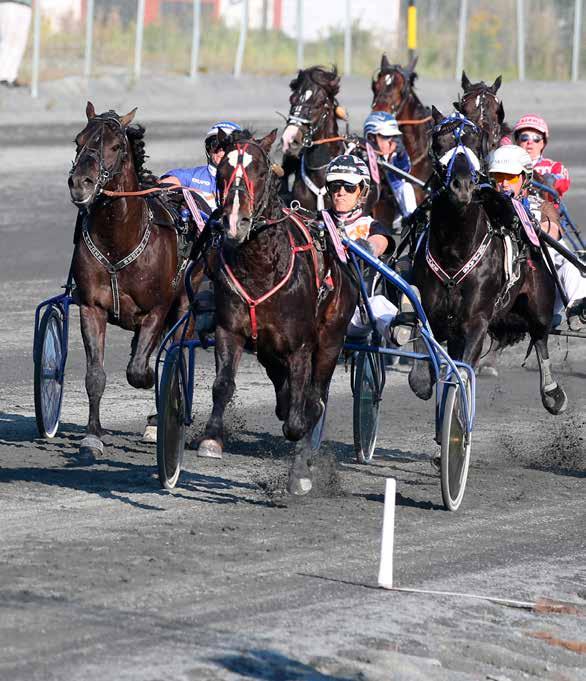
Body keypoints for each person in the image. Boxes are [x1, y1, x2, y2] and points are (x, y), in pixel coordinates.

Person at [488, 144, 586, 331]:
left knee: (571, 263)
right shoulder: (485, 207)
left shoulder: (540, 205)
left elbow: (554, 231)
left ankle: (576, 310)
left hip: (542, 286)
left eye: (511, 177)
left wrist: (528, 226)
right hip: (494, 285)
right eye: (499, 177)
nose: (504, 183)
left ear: (525, 178)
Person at [323, 154, 416, 344]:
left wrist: (366, 247)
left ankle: (398, 326)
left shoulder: (370, 225)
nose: (340, 192)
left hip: (356, 312)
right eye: (335, 187)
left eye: (349, 187)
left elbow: (381, 243)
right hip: (317, 311)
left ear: (362, 191)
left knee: (378, 304)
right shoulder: (317, 223)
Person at [160, 120, 242, 214]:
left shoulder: (251, 181)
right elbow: (162, 185)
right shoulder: (190, 176)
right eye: (216, 144)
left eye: (228, 146)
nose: (221, 150)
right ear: (208, 148)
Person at [363, 110, 417, 221]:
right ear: (371, 138)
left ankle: (413, 221)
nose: (392, 141)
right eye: (386, 136)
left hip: (394, 197)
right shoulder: (363, 154)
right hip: (370, 201)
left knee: (407, 188)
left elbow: (405, 171)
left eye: (393, 136)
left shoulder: (395, 154)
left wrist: (401, 155)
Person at [512, 114, 570, 200]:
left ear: (543, 143)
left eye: (536, 138)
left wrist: (551, 180)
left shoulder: (554, 167)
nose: (530, 142)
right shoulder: (508, 165)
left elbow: (564, 184)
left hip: (545, 209)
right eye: (524, 137)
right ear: (517, 141)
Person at [0, 0, 32, 87]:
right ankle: (2, 76)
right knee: (8, 39)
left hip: (26, 5)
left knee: (20, 43)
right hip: (9, 3)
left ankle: (11, 76)